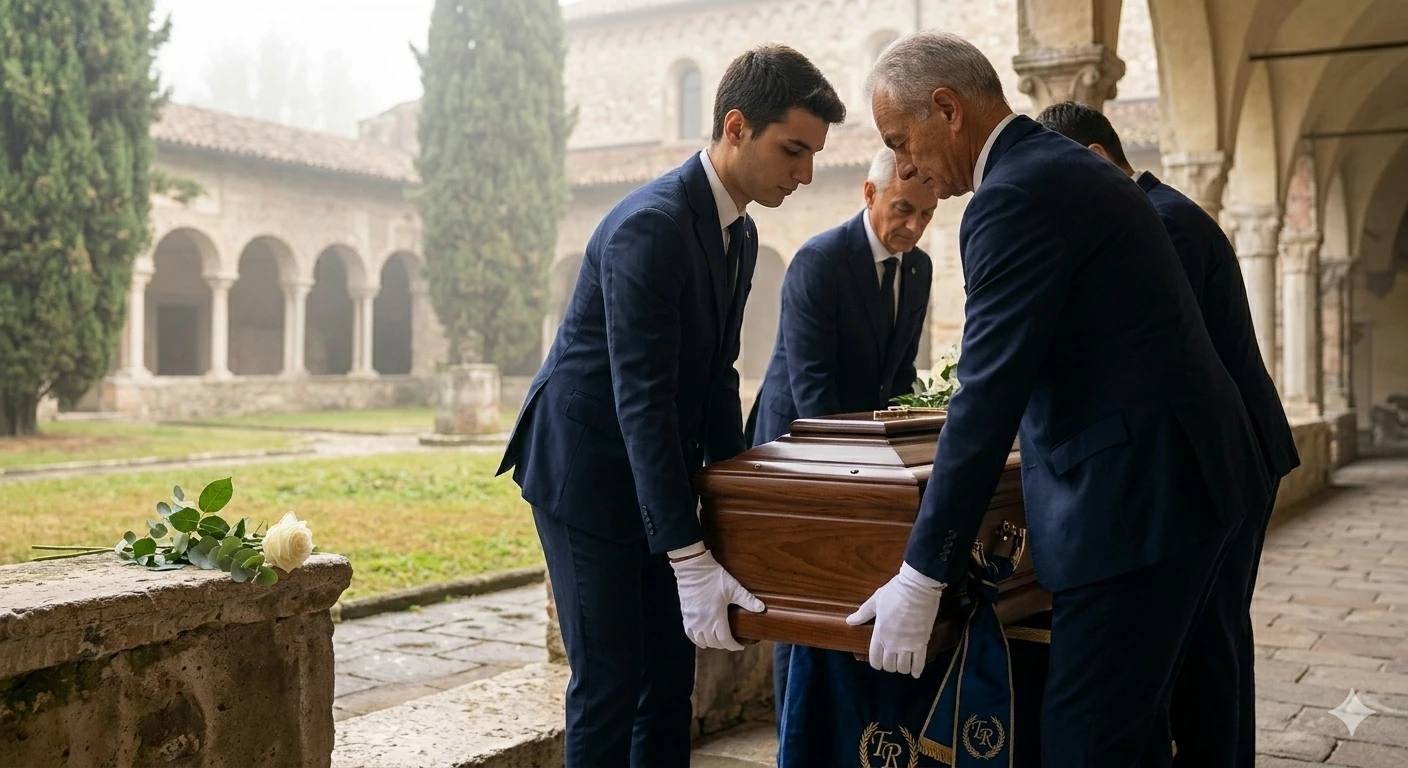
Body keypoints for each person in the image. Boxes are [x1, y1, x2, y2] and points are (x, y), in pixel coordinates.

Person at [849, 31, 1273, 766]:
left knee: (1085, 742)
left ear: (946, 108)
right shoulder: (1067, 170)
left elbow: (987, 395)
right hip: (1183, 487)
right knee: (1137, 733)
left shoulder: (1013, 197)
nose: (904, 162)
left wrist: (923, 575)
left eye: (901, 138)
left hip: (1136, 507)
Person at [495, 44, 845, 767]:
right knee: (611, 680)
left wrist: (736, 498)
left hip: (651, 469)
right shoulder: (651, 225)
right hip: (585, 475)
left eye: (813, 154)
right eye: (794, 149)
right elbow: (643, 399)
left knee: (670, 677)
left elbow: (718, 378)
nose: (806, 173)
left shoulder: (738, 231)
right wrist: (687, 553)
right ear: (738, 126)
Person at [1036, 100, 1300, 768]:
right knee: (1207, 639)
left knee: (1210, 644)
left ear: (1092, 162)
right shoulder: (1160, 215)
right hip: (1225, 449)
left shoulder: (1161, 224)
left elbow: (1136, 360)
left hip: (1222, 457)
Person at [749, 146, 938, 729]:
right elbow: (813, 393)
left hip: (862, 453)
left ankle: (845, 739)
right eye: (903, 209)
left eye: (926, 215)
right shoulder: (819, 261)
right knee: (801, 611)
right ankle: (795, 740)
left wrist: (906, 455)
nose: (912, 226)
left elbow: (900, 377)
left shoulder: (921, 268)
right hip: (800, 452)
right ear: (869, 194)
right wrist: (859, 479)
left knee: (853, 603)